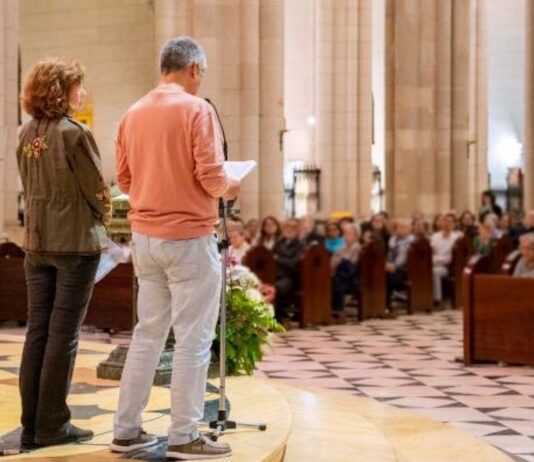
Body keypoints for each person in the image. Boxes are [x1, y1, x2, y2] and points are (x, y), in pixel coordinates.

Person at [111, 37, 239, 460]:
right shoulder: (196, 109)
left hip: (145, 240)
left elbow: (125, 182)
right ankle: (184, 434)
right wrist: (231, 184)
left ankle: (126, 430)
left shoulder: (132, 112)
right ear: (194, 69)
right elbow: (210, 176)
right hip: (187, 238)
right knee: (193, 341)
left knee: (147, 336)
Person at [17, 57, 111, 449]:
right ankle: (53, 424)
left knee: (38, 331)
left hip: (37, 244)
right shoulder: (74, 133)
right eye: (78, 87)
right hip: (74, 244)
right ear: (62, 90)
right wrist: (109, 212)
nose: (82, 94)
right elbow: (97, 190)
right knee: (63, 335)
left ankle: (32, 423)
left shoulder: (25, 133)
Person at [273, 218, 305, 320]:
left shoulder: (300, 245)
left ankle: (278, 315)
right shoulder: (278, 243)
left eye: (293, 227)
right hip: (275, 275)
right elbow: (270, 258)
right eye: (287, 226)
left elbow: (293, 263)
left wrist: (278, 258)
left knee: (277, 287)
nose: (289, 229)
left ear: (298, 230)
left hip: (291, 277)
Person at [430, 213, 462, 306]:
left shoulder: (456, 238)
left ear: (454, 224)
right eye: (445, 221)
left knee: (435, 271)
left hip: (448, 266)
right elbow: (432, 252)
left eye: (449, 222)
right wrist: (434, 262)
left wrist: (441, 262)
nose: (447, 223)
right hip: (434, 262)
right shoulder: (435, 236)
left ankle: (437, 299)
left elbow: (455, 257)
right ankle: (422, 299)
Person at [385, 218, 415, 308]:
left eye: (404, 227)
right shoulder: (393, 239)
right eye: (399, 227)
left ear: (410, 228)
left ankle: (387, 305)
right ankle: (377, 304)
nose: (401, 229)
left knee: (388, 277)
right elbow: (389, 254)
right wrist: (387, 264)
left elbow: (404, 256)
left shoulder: (412, 240)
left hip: (406, 270)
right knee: (378, 275)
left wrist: (394, 266)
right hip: (392, 267)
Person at [331, 224, 361, 312]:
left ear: (356, 236)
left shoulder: (358, 248)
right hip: (339, 275)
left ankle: (338, 310)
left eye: (348, 234)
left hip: (351, 278)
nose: (345, 237)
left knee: (336, 282)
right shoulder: (341, 248)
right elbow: (333, 261)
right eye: (344, 234)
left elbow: (352, 265)